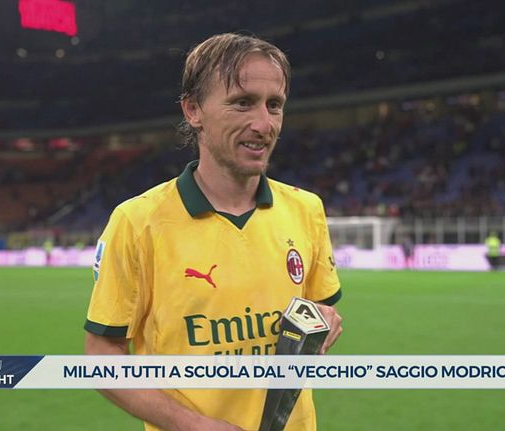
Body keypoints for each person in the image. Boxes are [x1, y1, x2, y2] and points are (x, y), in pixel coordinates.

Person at [83, 33, 343, 431]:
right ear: (193, 110)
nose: (264, 124)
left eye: (274, 105)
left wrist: (326, 321)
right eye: (243, 102)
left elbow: (320, 312)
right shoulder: (138, 222)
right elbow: (101, 353)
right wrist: (192, 425)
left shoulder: (306, 209)